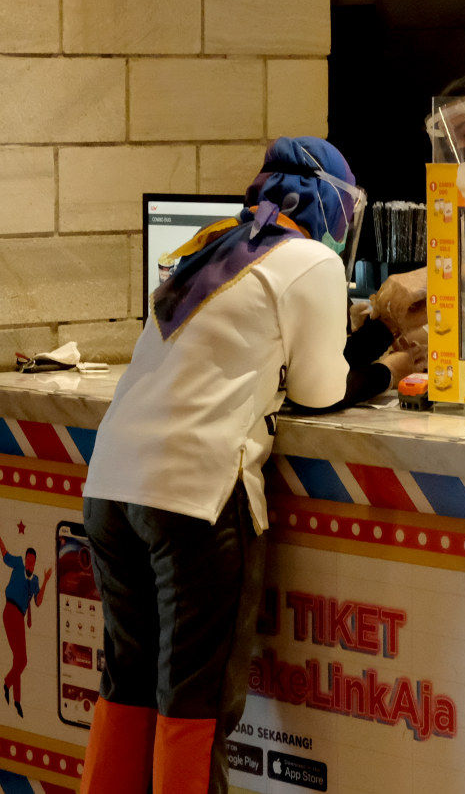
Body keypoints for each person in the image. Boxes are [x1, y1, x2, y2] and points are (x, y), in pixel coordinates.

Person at [78, 138, 421, 794]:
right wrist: (397, 366)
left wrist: (376, 329)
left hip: (112, 487)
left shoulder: (214, 249)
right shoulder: (311, 259)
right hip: (193, 498)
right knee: (191, 706)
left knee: (127, 687)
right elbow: (320, 390)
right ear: (329, 205)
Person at [0, 519, 51, 717]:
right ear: (25, 559)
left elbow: (38, 602)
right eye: (28, 559)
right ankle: (6, 682)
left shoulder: (34, 580)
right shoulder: (17, 563)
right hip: (10, 612)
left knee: (18, 659)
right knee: (22, 660)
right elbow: (4, 555)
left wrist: (46, 581)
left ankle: (17, 700)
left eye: (33, 561)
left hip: (20, 617)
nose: (30, 563)